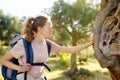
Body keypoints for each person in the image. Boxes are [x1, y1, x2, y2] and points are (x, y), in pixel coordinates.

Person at [1, 15, 93, 80]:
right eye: (49, 27)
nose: (51, 30)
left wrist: (90, 43)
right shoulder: (24, 44)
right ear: (40, 29)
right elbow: (3, 61)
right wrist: (20, 68)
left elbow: (70, 50)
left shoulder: (48, 44)